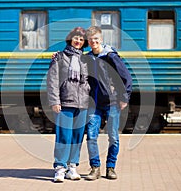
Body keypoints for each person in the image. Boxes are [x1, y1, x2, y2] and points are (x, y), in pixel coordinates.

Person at [84, 26, 132, 180]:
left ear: (101, 39)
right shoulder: (87, 57)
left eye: (96, 39)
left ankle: (110, 168)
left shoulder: (111, 56)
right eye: (91, 40)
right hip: (94, 104)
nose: (93, 42)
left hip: (112, 103)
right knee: (91, 137)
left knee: (113, 137)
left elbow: (126, 77)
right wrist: (57, 56)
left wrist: (124, 97)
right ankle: (95, 168)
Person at [47, 27, 90, 183]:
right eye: (76, 38)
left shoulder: (86, 59)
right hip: (64, 102)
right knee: (64, 136)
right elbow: (52, 81)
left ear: (84, 42)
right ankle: (60, 168)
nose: (78, 41)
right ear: (70, 39)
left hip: (83, 103)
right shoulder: (59, 57)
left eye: (81, 39)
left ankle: (72, 166)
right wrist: (54, 101)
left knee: (77, 137)